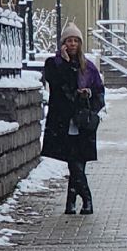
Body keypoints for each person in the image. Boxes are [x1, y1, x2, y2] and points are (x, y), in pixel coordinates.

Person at [43, 24, 105, 215]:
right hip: (63, 121)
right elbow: (57, 84)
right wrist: (66, 63)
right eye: (69, 41)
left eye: (76, 41)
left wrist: (88, 96)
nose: (72, 44)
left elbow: (99, 93)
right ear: (63, 43)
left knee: (78, 162)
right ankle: (87, 199)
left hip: (83, 121)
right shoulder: (54, 64)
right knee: (74, 161)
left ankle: (71, 202)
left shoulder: (88, 67)